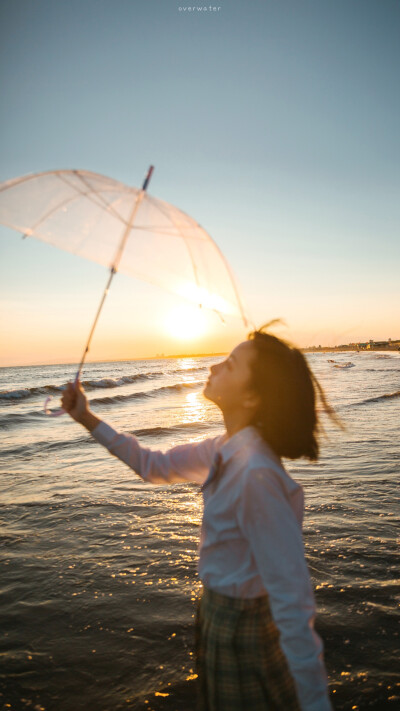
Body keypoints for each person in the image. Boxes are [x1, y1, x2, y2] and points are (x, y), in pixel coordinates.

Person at [61, 324, 339, 711]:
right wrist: (86, 417)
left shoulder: (256, 475)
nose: (213, 368)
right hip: (216, 616)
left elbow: (292, 600)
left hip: (247, 628)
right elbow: (152, 465)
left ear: (254, 395)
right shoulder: (222, 450)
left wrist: (316, 703)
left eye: (230, 365)